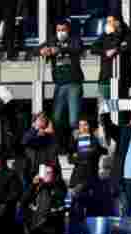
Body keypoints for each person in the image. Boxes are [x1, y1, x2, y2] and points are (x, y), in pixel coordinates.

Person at [40, 20, 84, 153]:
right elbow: (36, 49)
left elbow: (77, 48)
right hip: (59, 84)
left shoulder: (74, 40)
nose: (61, 32)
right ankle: (61, 147)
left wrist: (59, 49)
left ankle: (77, 148)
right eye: (58, 30)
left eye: (63, 29)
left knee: (73, 120)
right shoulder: (52, 40)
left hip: (73, 84)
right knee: (56, 119)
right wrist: (43, 50)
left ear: (68, 30)